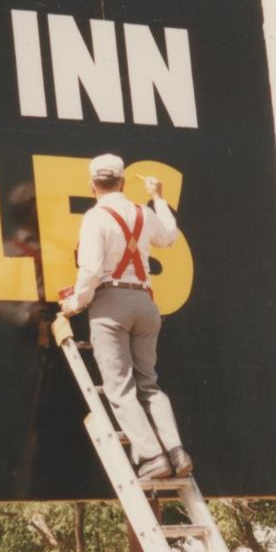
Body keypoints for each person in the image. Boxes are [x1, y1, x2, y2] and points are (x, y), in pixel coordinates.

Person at [59, 153, 192, 480]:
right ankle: (176, 450)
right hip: (145, 303)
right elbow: (169, 236)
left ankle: (152, 457)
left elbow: (91, 270)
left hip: (111, 304)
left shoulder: (95, 217)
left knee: (119, 388)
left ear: (92, 185)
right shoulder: (143, 212)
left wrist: (74, 303)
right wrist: (158, 197)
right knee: (149, 384)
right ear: (121, 182)